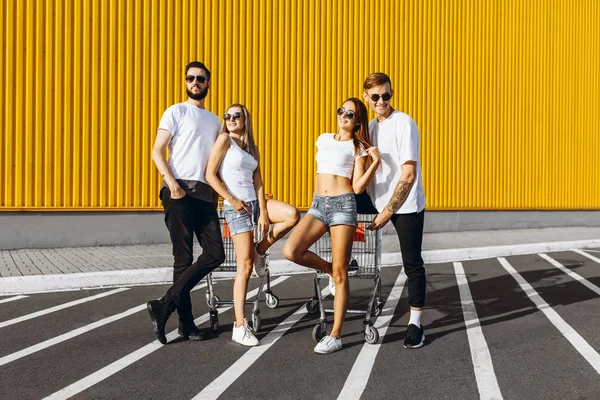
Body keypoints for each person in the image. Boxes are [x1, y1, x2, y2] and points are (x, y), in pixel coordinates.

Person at [283, 98, 380, 354]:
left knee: (341, 273)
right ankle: (328, 270)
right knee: (292, 251)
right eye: (341, 111)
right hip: (317, 205)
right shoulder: (323, 138)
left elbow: (358, 187)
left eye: (350, 114)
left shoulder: (358, 147)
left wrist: (375, 163)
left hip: (343, 206)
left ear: (358, 120)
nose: (344, 115)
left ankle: (336, 334)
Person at [205, 103, 300, 346]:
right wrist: (232, 200)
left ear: (245, 120)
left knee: (292, 215)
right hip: (236, 207)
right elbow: (210, 175)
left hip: (254, 203)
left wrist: (264, 212)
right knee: (245, 267)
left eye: (237, 116)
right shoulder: (224, 140)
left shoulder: (251, 147)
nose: (231, 119)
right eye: (227, 116)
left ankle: (261, 249)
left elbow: (258, 182)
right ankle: (239, 325)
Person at [146, 61, 226, 345]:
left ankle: (163, 305)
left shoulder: (215, 120)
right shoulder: (176, 111)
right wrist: (172, 184)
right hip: (178, 191)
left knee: (216, 253)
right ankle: (187, 324)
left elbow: (217, 163)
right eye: (190, 78)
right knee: (184, 259)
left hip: (204, 195)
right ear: (185, 82)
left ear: (208, 83)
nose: (195, 82)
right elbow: (157, 151)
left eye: (200, 78)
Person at [362, 72, 427, 349]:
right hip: (376, 200)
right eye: (375, 96)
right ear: (367, 97)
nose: (381, 101)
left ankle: (415, 324)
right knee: (334, 209)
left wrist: (387, 212)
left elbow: (408, 175)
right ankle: (332, 277)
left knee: (411, 263)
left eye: (385, 95)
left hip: (406, 204)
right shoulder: (370, 127)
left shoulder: (404, 123)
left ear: (392, 94)